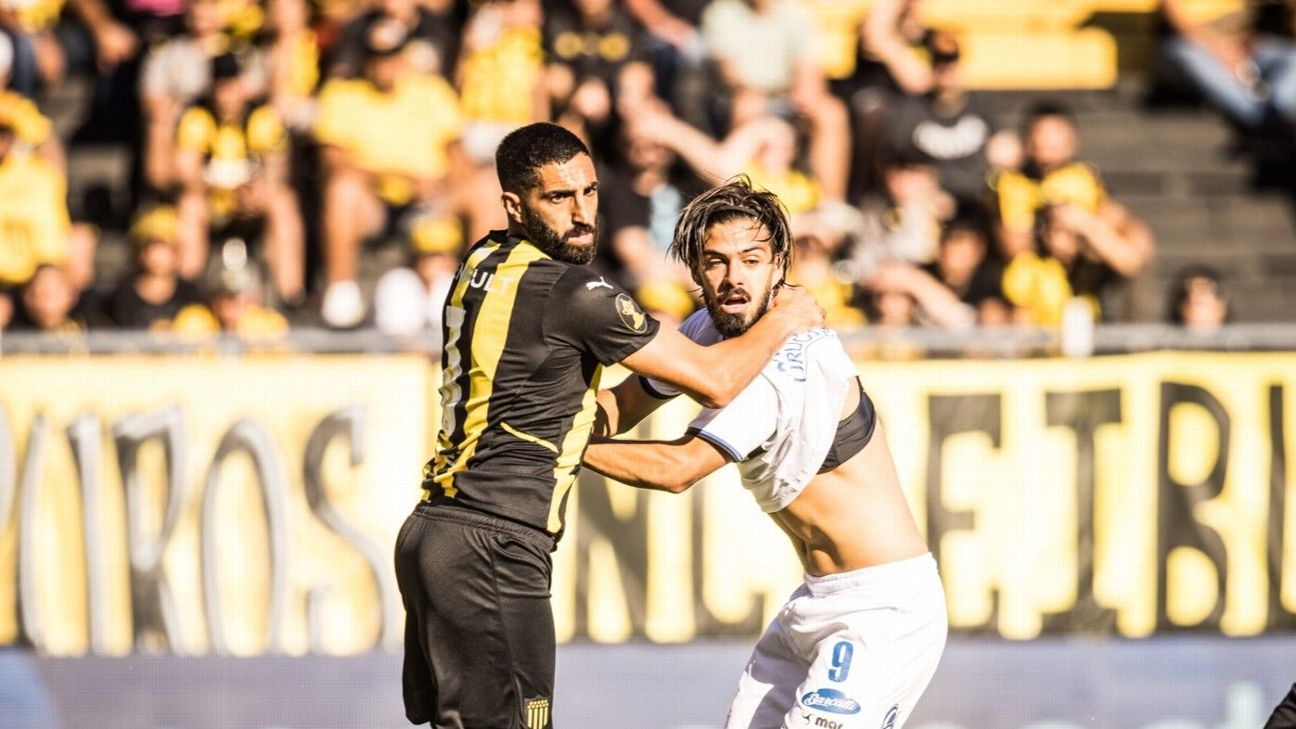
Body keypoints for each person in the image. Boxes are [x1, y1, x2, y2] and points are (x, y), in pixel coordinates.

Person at [393, 123, 824, 729]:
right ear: (515, 206)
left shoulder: (483, 258)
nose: (581, 214)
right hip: (494, 542)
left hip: (433, 533)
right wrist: (789, 317)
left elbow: (576, 400)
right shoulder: (576, 291)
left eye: (590, 192)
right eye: (558, 198)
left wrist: (561, 438)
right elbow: (716, 381)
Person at [582, 179, 946, 729]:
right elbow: (623, 406)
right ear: (694, 271)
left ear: (779, 265)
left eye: (751, 260)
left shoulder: (788, 365)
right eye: (716, 262)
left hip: (883, 612)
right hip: (814, 602)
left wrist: (549, 447)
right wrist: (535, 421)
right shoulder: (709, 328)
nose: (734, 278)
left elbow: (678, 469)